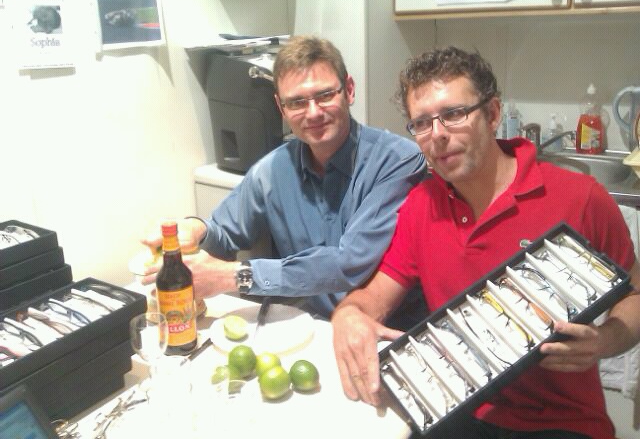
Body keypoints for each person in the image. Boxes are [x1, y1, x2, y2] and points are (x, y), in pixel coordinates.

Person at [331, 46, 640, 438]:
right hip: (453, 406)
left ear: (493, 114)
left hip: (562, 420)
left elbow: (635, 293)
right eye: (422, 123)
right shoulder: (420, 206)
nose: (438, 135)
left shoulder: (579, 197)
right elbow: (373, 298)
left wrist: (605, 340)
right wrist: (349, 316)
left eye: (454, 114)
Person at [141, 35, 425, 320]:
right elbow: (225, 232)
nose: (313, 113)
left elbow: (348, 263)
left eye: (325, 95)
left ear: (349, 90)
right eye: (297, 102)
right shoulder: (273, 170)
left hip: (382, 329)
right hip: (309, 327)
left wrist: (235, 276)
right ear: (281, 108)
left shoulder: (398, 161)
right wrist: (195, 229)